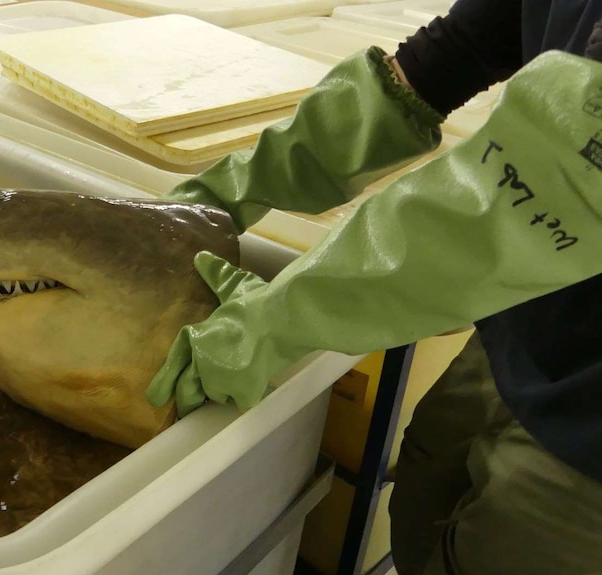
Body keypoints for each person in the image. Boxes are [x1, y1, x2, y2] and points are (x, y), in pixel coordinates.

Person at [146, 1, 602, 573]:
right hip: (523, 322)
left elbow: (543, 193)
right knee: (422, 493)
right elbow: (453, 53)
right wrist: (235, 188)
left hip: (590, 437)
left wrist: (279, 320)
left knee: (509, 541)